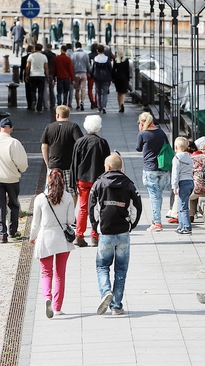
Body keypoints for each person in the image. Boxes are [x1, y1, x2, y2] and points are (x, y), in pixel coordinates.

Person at [89, 154, 142, 316]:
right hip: (123, 232)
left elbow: (92, 208)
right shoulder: (130, 185)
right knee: (121, 270)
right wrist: (130, 225)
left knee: (102, 266)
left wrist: (96, 226)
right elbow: (137, 208)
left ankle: (105, 292)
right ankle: (116, 306)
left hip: (105, 231)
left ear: (109, 167)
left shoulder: (98, 184)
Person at [29, 168, 76, 318]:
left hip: (45, 237)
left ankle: (47, 297)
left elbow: (35, 223)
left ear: (49, 179)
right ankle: (57, 307)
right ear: (62, 180)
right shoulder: (68, 197)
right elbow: (71, 220)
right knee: (60, 274)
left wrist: (32, 237)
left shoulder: (40, 198)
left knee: (46, 272)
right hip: (62, 238)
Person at [0, 117, 29, 243]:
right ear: (11, 129)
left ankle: (2, 234)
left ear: (0, 128)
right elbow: (22, 163)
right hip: (12, 178)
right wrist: (20, 170)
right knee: (13, 204)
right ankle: (13, 230)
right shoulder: (14, 143)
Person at [70, 115, 110, 248]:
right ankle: (95, 235)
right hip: (97, 180)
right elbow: (107, 163)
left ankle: (79, 235)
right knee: (97, 207)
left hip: (82, 179)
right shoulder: (102, 143)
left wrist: (73, 180)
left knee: (83, 207)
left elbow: (74, 162)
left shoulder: (79, 142)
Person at [40, 105, 83, 205]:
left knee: (52, 190)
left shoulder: (49, 127)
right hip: (69, 166)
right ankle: (71, 214)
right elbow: (80, 144)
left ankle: (54, 212)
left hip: (53, 166)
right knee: (71, 191)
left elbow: (44, 147)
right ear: (68, 115)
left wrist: (48, 163)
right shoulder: (73, 127)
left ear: (57, 115)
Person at [135, 112, 171, 232]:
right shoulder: (161, 132)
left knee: (154, 196)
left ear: (142, 122)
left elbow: (138, 148)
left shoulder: (143, 134)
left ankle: (157, 222)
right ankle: (156, 219)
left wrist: (141, 130)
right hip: (164, 168)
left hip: (150, 169)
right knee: (159, 195)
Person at [171, 137, 194, 235]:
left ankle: (187, 227)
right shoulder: (188, 157)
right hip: (190, 181)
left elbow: (175, 173)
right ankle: (181, 226)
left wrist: (174, 185)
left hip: (182, 182)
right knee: (182, 205)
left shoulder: (176, 158)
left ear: (176, 147)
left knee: (183, 206)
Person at [26, 43, 49, 112]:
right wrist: (47, 76)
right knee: (40, 92)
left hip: (32, 75)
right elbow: (46, 68)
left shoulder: (31, 56)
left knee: (33, 91)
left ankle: (33, 101)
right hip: (41, 75)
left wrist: (27, 75)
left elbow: (27, 67)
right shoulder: (44, 57)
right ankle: (39, 107)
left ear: (35, 49)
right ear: (41, 49)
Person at [90, 44, 113, 114]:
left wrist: (92, 76)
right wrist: (111, 77)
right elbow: (110, 69)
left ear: (97, 51)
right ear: (104, 50)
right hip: (106, 78)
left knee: (99, 93)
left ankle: (99, 107)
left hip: (97, 78)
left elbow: (93, 69)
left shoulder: (95, 59)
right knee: (105, 93)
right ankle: (104, 107)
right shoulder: (107, 59)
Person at [71, 42, 90, 111]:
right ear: (81, 46)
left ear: (75, 47)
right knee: (83, 89)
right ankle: (82, 102)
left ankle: (78, 104)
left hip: (76, 73)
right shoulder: (85, 54)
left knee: (76, 90)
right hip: (84, 73)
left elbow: (71, 65)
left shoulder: (73, 55)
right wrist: (88, 72)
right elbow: (88, 64)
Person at [43, 43, 57, 109]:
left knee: (44, 90)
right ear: (51, 48)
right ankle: (52, 104)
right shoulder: (54, 55)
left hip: (43, 73)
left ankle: (45, 104)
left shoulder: (42, 54)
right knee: (52, 89)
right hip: (51, 73)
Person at [20, 45, 34, 109]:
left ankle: (29, 104)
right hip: (33, 74)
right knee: (33, 90)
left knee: (27, 90)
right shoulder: (34, 57)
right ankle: (34, 101)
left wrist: (21, 77)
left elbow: (22, 68)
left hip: (26, 75)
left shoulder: (24, 57)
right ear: (31, 50)